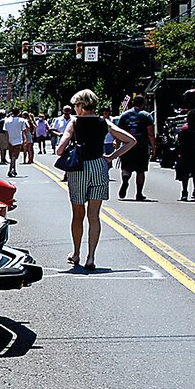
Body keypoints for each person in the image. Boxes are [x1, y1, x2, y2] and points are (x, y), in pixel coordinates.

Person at [56, 89, 136, 271]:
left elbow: (60, 150)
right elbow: (130, 140)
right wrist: (111, 156)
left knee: (78, 214)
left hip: (80, 168)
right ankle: (91, 257)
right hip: (100, 167)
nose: (75, 109)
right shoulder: (104, 122)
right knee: (94, 215)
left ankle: (76, 253)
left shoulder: (74, 123)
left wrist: (69, 145)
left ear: (82, 106)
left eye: (76, 105)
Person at [116, 94, 156, 201]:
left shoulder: (124, 115)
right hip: (141, 147)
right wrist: (153, 148)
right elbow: (150, 134)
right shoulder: (147, 116)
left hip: (127, 146)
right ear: (143, 104)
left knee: (126, 167)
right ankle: (139, 193)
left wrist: (117, 145)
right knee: (140, 170)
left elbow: (119, 131)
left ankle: (125, 180)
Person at [176, 109, 195, 202]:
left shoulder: (184, 129)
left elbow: (179, 142)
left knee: (185, 174)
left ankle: (184, 192)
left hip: (185, 154)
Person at [1, 109, 27, 178]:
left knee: (12, 156)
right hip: (18, 140)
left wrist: (7, 139)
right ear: (18, 113)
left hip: (10, 140)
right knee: (14, 156)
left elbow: (5, 131)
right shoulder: (21, 121)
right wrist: (26, 139)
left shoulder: (7, 121)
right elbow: (24, 130)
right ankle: (10, 170)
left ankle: (14, 169)